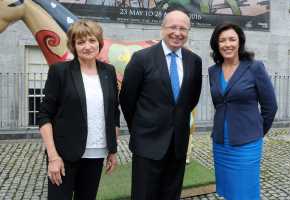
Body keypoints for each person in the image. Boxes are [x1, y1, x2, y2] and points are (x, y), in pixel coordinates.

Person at [119, 6, 202, 200]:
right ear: (162, 29)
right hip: (147, 143)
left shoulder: (194, 61)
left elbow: (191, 100)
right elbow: (127, 99)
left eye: (183, 29)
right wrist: (141, 127)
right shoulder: (141, 59)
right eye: (173, 27)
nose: (177, 33)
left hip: (178, 145)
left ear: (188, 32)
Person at [38, 20, 120, 200]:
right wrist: (53, 157)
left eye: (91, 40)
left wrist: (112, 150)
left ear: (99, 42)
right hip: (64, 155)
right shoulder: (60, 71)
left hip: (96, 153)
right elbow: (44, 116)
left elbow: (114, 112)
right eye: (80, 42)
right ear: (73, 46)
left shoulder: (109, 71)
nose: (87, 46)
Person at [208, 22, 278, 200]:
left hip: (247, 144)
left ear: (240, 42)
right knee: (228, 190)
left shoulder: (254, 67)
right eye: (222, 40)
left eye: (232, 39)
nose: (227, 44)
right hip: (221, 143)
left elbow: (270, 106)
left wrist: (256, 133)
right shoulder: (213, 71)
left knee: (245, 192)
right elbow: (220, 104)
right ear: (217, 44)